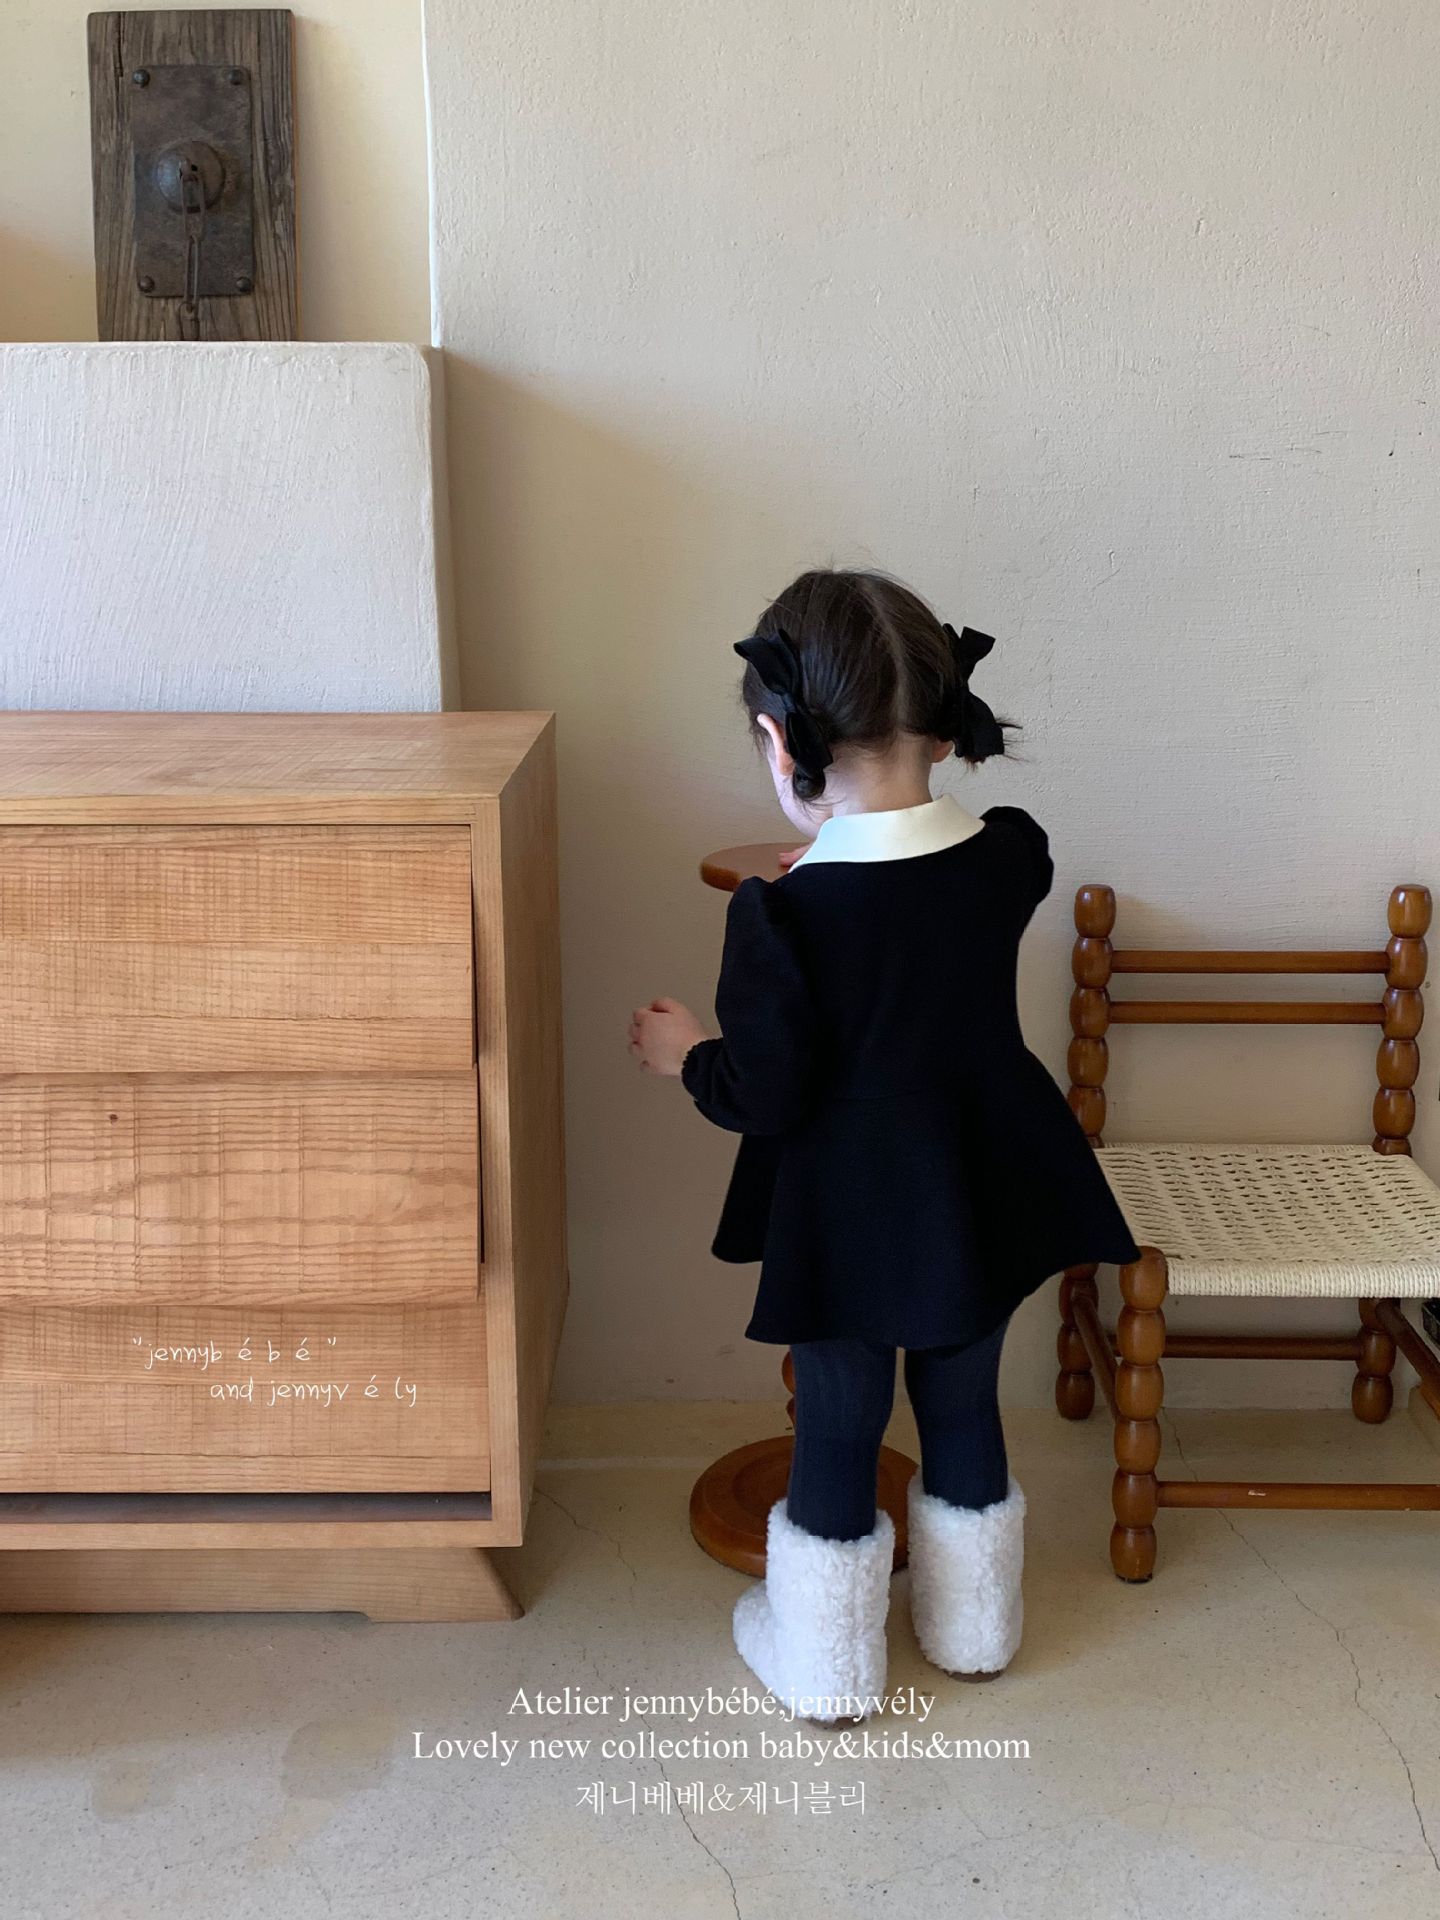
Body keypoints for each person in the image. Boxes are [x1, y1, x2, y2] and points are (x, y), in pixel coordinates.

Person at [629, 568, 1139, 1723]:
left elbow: (764, 1091)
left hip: (847, 1211)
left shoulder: (782, 917)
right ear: (947, 732)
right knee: (962, 1403)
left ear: (779, 742)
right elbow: (935, 894)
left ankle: (825, 1667)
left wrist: (686, 1052)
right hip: (980, 1189)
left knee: (843, 1419)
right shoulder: (1009, 856)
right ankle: (975, 1633)